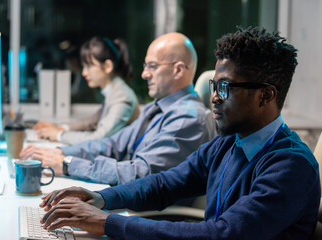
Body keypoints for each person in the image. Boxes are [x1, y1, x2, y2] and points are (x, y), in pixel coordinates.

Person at [37, 27, 321, 239]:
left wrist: (106, 223)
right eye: (214, 86)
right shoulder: (227, 143)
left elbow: (223, 234)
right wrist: (100, 198)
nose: (214, 98)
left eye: (225, 88)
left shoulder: (290, 165)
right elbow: (165, 184)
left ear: (265, 96)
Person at [20, 32, 216, 185]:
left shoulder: (187, 119)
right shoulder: (155, 109)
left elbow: (140, 173)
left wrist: (68, 163)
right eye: (145, 66)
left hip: (149, 216)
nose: (144, 74)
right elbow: (112, 144)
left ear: (178, 70)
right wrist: (60, 152)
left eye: (152, 66)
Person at [34, 36, 140, 145]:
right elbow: (92, 122)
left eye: (89, 66)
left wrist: (59, 135)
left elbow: (99, 138)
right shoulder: (114, 91)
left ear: (108, 66)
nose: (84, 72)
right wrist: (60, 128)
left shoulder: (122, 95)